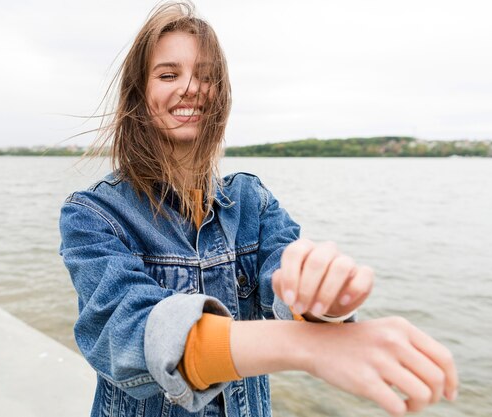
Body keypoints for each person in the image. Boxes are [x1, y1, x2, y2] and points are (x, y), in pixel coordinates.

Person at [59, 2, 458, 416]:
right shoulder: (94, 214)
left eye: (207, 76)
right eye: (168, 74)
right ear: (139, 95)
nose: (191, 87)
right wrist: (306, 348)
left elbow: (285, 286)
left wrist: (327, 304)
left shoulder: (252, 201)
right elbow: (129, 334)